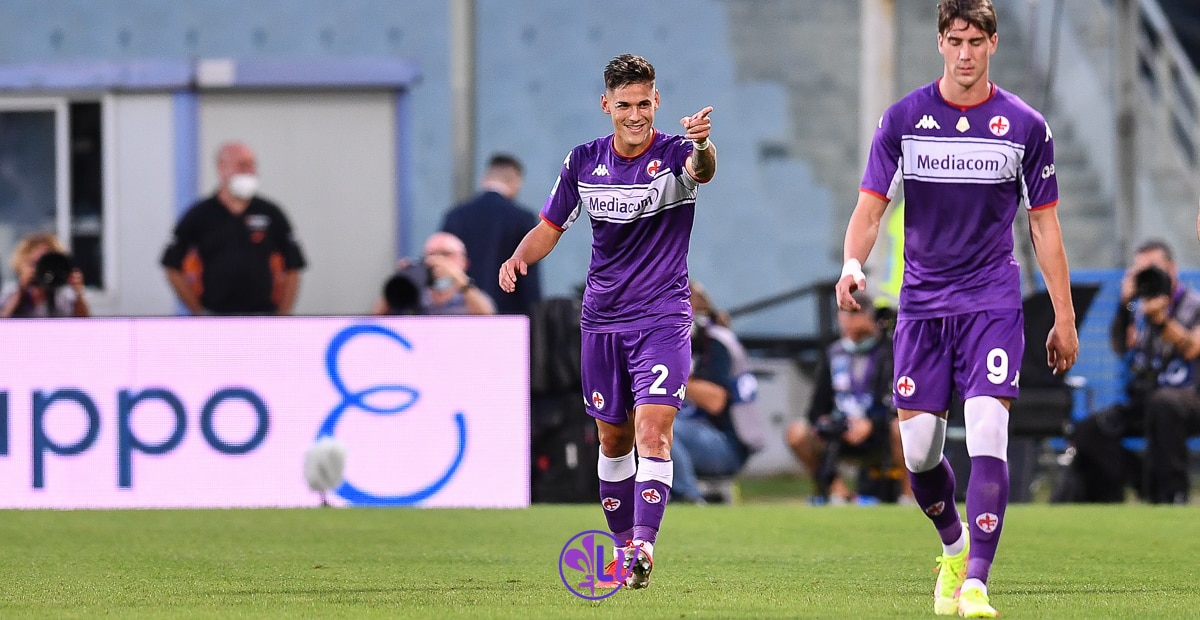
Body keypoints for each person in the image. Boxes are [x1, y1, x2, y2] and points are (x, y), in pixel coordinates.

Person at [835, 1, 1078, 616]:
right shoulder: (904, 120)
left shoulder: (1024, 125)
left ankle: (976, 583)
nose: (965, 52)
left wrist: (1063, 316)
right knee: (918, 452)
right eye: (955, 40)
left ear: (993, 43)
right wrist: (852, 264)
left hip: (991, 300)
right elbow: (870, 208)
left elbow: (1045, 229)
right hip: (922, 306)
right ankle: (952, 545)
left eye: (976, 40)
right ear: (940, 42)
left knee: (989, 430)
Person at [499, 53, 716, 590]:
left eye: (645, 103)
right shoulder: (582, 163)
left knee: (653, 432)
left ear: (656, 101)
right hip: (601, 322)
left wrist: (703, 144)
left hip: (662, 318)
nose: (636, 114)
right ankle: (624, 553)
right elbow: (551, 226)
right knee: (613, 440)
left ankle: (643, 543)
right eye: (625, 105)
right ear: (606, 105)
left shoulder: (676, 154)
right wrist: (520, 257)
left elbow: (703, 171)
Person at [1059, 239, 1200, 504]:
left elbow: (1193, 347)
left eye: (1154, 270)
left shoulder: (1193, 304)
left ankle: (1171, 495)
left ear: (1172, 269)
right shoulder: (1137, 307)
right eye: (1140, 272)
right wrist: (1126, 305)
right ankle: (1137, 487)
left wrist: (1162, 322)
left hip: (1188, 399)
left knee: (1164, 405)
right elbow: (1119, 346)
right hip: (1144, 399)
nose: (1148, 278)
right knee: (1089, 431)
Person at [787, 290, 913, 505]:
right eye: (843, 315)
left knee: (901, 428)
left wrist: (872, 424)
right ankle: (838, 492)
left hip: (880, 433)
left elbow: (900, 399)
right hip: (842, 433)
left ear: (868, 317)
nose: (847, 322)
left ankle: (910, 497)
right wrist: (826, 423)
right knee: (797, 433)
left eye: (854, 315)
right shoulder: (834, 354)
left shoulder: (889, 352)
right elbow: (817, 406)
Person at [161, 141, 307, 316]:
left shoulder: (270, 213)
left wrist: (283, 315)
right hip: (216, 317)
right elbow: (172, 266)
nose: (250, 171)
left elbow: (294, 266)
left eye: (252, 165)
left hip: (263, 316)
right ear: (222, 168)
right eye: (242, 165)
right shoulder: (199, 215)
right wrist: (199, 312)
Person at [671, 280, 760, 504]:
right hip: (693, 436)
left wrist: (668, 376)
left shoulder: (716, 343)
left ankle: (689, 498)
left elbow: (716, 400)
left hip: (725, 444)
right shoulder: (684, 344)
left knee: (658, 427)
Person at [441, 153, 542, 316]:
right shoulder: (522, 219)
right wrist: (534, 318)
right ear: (516, 182)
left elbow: (442, 267)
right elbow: (528, 280)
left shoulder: (455, 216)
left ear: (484, 179)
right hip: (509, 319)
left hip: (461, 315)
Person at [371, 231, 496, 316]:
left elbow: (489, 318)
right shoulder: (416, 293)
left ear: (464, 263)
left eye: (446, 254)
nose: (437, 260)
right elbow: (376, 319)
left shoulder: (469, 296)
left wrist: (458, 278)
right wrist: (400, 284)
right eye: (432, 254)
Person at [0, 232, 90, 318]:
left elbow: (84, 325)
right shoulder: (11, 291)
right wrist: (21, 291)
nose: (39, 270)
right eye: (34, 264)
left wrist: (78, 294)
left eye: (45, 265)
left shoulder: (62, 295)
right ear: (21, 264)